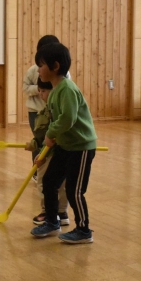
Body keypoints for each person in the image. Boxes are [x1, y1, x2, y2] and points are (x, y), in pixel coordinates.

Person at [30, 43, 97, 244]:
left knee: (74, 190)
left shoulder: (67, 89)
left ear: (55, 66)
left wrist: (50, 134)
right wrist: (44, 152)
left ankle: (84, 230)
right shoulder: (55, 91)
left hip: (81, 147)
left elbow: (67, 119)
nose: (38, 70)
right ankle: (52, 221)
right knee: (49, 182)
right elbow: (55, 125)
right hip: (65, 146)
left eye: (41, 65)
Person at [25, 78, 69, 226]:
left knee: (49, 182)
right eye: (39, 91)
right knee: (55, 183)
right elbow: (41, 134)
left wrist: (42, 151)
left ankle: (53, 212)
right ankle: (56, 211)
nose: (40, 94)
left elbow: (50, 134)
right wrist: (35, 144)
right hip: (47, 151)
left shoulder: (56, 110)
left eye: (43, 91)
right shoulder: (45, 110)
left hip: (53, 153)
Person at [23, 35, 62, 173]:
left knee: (53, 141)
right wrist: (40, 89)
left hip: (53, 111)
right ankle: (37, 170)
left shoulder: (64, 75)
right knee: (39, 139)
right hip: (35, 111)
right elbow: (25, 88)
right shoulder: (33, 70)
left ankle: (52, 169)